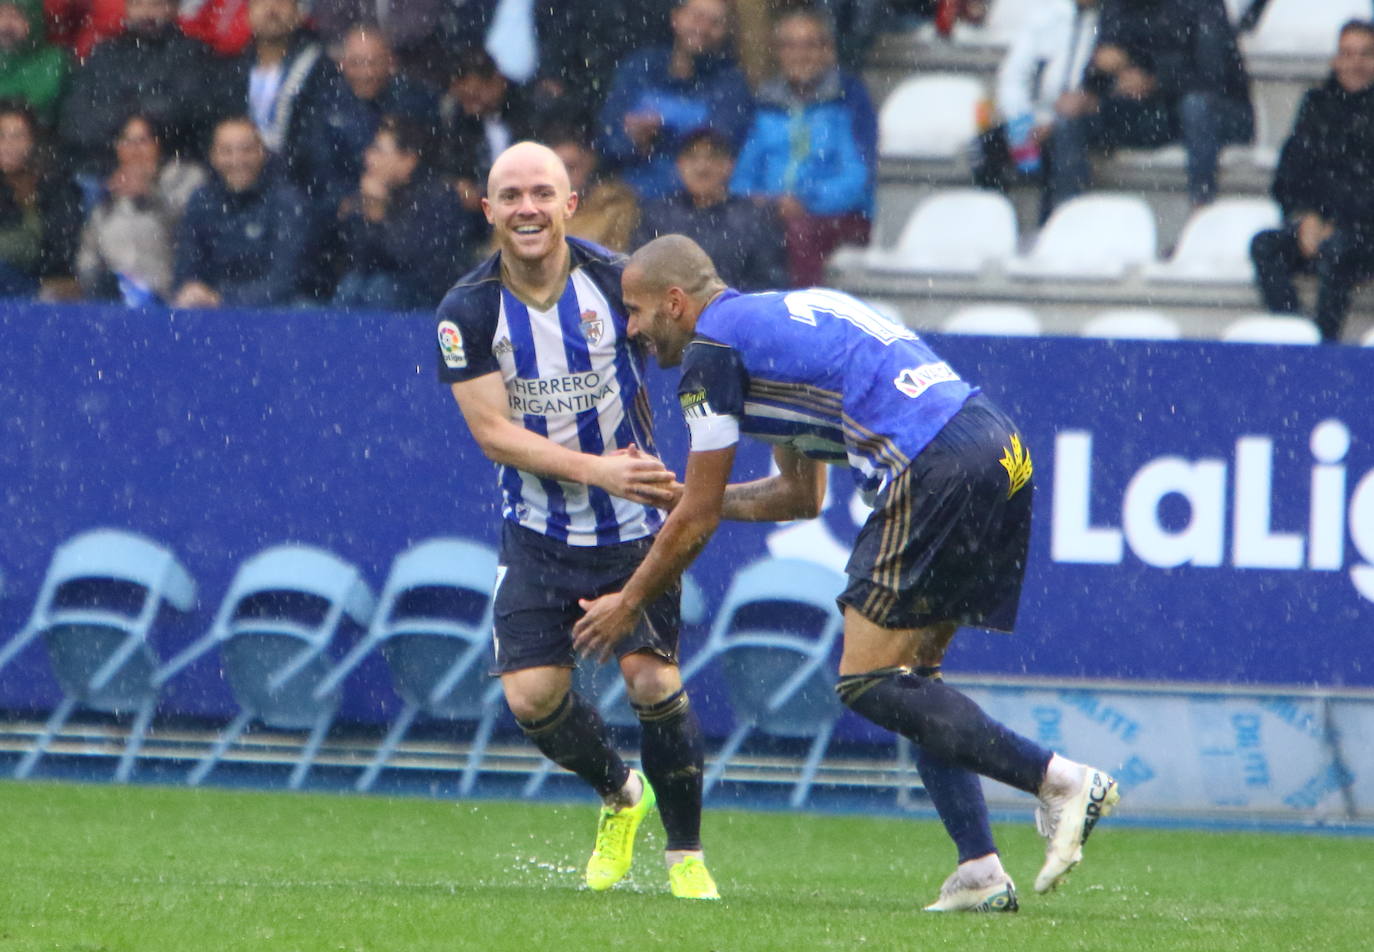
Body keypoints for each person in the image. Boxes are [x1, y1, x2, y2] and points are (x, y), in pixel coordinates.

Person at [574, 233, 1122, 913]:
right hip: (998, 447)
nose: (630, 329)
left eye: (634, 311)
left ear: (676, 303)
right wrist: (686, 500)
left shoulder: (711, 356)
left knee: (866, 680)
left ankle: (1058, 780)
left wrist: (629, 601)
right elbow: (798, 497)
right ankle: (980, 871)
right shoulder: (772, 323)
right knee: (913, 680)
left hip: (933, 463)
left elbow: (698, 521)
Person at [433, 141, 719, 900]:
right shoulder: (465, 310)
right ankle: (623, 795)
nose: (526, 207)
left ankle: (685, 858)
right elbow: (493, 434)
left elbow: (689, 332)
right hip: (537, 533)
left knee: (653, 681)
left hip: (632, 532)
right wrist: (597, 467)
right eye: (510, 195)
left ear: (568, 203)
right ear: (488, 209)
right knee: (530, 697)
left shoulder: (616, 281)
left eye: (541, 193)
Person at [1044, 0, 1252, 211]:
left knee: (1195, 107)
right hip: (1153, 115)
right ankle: (1066, 214)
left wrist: (1155, 81)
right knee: (1069, 121)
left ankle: (1201, 208)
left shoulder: (1203, 5)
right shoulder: (1117, 7)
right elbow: (1098, 77)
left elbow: (1212, 75)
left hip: (1218, 114)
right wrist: (1096, 78)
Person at [728, 5, 875, 286]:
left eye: (810, 45)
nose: (800, 55)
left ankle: (801, 316)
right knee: (729, 228)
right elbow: (743, 175)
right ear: (778, 52)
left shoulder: (848, 101)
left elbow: (857, 178)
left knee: (798, 233)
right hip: (771, 213)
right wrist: (761, 200)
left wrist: (805, 200)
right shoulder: (767, 104)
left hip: (836, 216)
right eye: (790, 46)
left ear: (827, 50)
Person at [1249, 19, 1374, 345]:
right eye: (1347, 54)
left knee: (1338, 250)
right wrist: (1305, 216)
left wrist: (1341, 222)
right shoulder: (1316, 105)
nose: (1355, 63)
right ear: (1335, 59)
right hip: (1318, 226)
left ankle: (1323, 347)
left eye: (1365, 54)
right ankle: (1296, 337)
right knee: (1264, 246)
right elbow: (1289, 175)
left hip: (1365, 234)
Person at [596, 0, 753, 201]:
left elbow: (722, 145)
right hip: (628, 199)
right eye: (697, 17)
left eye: (715, 23)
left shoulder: (731, 83)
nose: (703, 28)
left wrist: (664, 128)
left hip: (695, 204)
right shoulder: (639, 67)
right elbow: (606, 137)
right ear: (676, 18)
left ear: (726, 31)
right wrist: (632, 140)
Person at [56, 0, 226, 178]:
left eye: (156, 5)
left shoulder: (193, 53)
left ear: (173, 9)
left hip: (173, 164)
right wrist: (124, 139)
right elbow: (76, 120)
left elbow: (188, 111)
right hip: (106, 168)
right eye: (138, 4)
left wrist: (139, 130)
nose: (146, 13)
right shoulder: (103, 54)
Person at [334, 116, 474, 309]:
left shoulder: (438, 195)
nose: (368, 158)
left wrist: (378, 214)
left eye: (379, 151)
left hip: (433, 296)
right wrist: (362, 213)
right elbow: (358, 260)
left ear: (408, 160)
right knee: (350, 286)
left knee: (380, 289)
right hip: (384, 283)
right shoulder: (373, 192)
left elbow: (413, 258)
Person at [171, 116, 307, 308]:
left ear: (262, 153)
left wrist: (223, 299)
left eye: (246, 150)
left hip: (272, 317)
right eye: (226, 151)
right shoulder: (201, 201)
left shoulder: (286, 201)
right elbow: (185, 267)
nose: (237, 160)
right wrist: (192, 291)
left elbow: (285, 280)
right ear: (213, 156)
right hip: (208, 315)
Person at [634, 128, 786, 292]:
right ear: (679, 165)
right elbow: (639, 277)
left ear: (729, 165)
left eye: (712, 157)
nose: (702, 168)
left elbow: (769, 283)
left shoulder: (754, 218)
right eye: (692, 158)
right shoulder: (657, 214)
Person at [978, 0, 1098, 208]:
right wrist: (1023, 123)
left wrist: (1052, 123)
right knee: (986, 146)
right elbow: (1013, 77)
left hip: (1080, 120)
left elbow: (1094, 90)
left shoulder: (1111, 22)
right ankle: (997, 222)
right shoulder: (1047, 17)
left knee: (1063, 147)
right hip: (1034, 117)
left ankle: (1052, 224)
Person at [76, 113, 207, 302]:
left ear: (158, 145)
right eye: (127, 142)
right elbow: (88, 255)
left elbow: (192, 231)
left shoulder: (186, 178)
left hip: (169, 296)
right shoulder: (105, 196)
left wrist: (150, 194)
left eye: (143, 141)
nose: (135, 151)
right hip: (115, 299)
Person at [0, 99, 80, 298]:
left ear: (32, 140)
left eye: (17, 136)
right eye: (1, 136)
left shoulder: (56, 186)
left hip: (40, 285)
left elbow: (61, 250)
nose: (9, 145)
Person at [548, 126, 641, 254]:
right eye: (554, 170)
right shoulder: (539, 212)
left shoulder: (616, 206)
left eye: (570, 167)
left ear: (589, 162)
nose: (563, 178)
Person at [0, 0, 68, 125]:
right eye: (0, 15)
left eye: (15, 16)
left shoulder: (55, 62)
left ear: (32, 20)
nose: (5, 25)